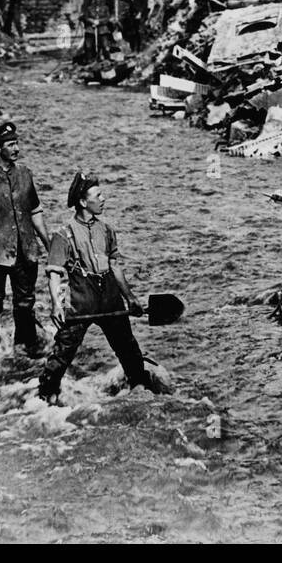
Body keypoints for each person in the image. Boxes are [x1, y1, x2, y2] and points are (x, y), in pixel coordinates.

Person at [37, 171, 173, 404]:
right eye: (98, 195)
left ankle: (140, 391)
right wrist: (57, 305)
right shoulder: (63, 234)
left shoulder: (107, 230)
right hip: (81, 302)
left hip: (110, 299)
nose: (103, 199)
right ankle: (44, 398)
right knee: (63, 354)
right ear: (82, 202)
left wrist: (130, 298)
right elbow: (54, 274)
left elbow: (115, 267)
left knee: (129, 351)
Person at [0, 120, 52, 354]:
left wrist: (49, 245)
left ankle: (26, 348)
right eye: (11, 145)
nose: (16, 149)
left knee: (25, 303)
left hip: (25, 251)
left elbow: (36, 214)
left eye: (16, 144)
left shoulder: (25, 175)